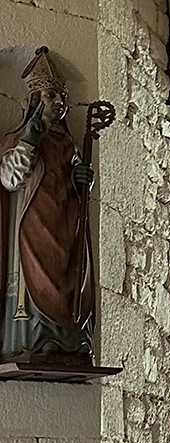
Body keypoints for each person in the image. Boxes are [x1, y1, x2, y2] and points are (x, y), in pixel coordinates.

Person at [0, 48, 96, 362]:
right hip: (33, 223)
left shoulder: (69, 143)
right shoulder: (18, 137)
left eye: (62, 97)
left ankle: (68, 339)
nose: (60, 103)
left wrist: (83, 179)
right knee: (35, 278)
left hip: (65, 226)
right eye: (51, 95)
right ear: (34, 101)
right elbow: (9, 179)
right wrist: (30, 141)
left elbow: (78, 182)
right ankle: (33, 339)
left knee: (67, 276)